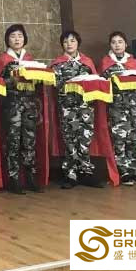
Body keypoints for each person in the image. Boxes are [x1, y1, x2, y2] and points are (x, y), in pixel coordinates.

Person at [0, 24, 42, 194]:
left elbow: (38, 84)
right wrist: (10, 81)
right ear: (8, 40)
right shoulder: (3, 59)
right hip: (12, 106)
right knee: (13, 142)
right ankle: (13, 179)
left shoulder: (30, 59)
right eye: (13, 36)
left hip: (29, 106)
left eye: (20, 36)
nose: (17, 39)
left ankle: (30, 177)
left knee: (30, 141)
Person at [51, 30, 103, 189]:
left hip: (86, 107)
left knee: (85, 139)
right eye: (65, 41)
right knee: (70, 139)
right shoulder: (57, 63)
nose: (69, 44)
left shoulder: (87, 62)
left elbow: (95, 82)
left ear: (78, 43)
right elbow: (54, 84)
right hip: (67, 107)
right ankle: (70, 174)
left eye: (72, 41)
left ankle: (86, 172)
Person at [99, 31, 136, 186]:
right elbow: (104, 82)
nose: (117, 45)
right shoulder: (106, 62)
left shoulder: (134, 62)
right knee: (120, 138)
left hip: (133, 105)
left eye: (120, 42)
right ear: (110, 45)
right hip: (116, 106)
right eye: (113, 42)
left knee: (134, 138)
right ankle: (124, 171)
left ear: (126, 44)